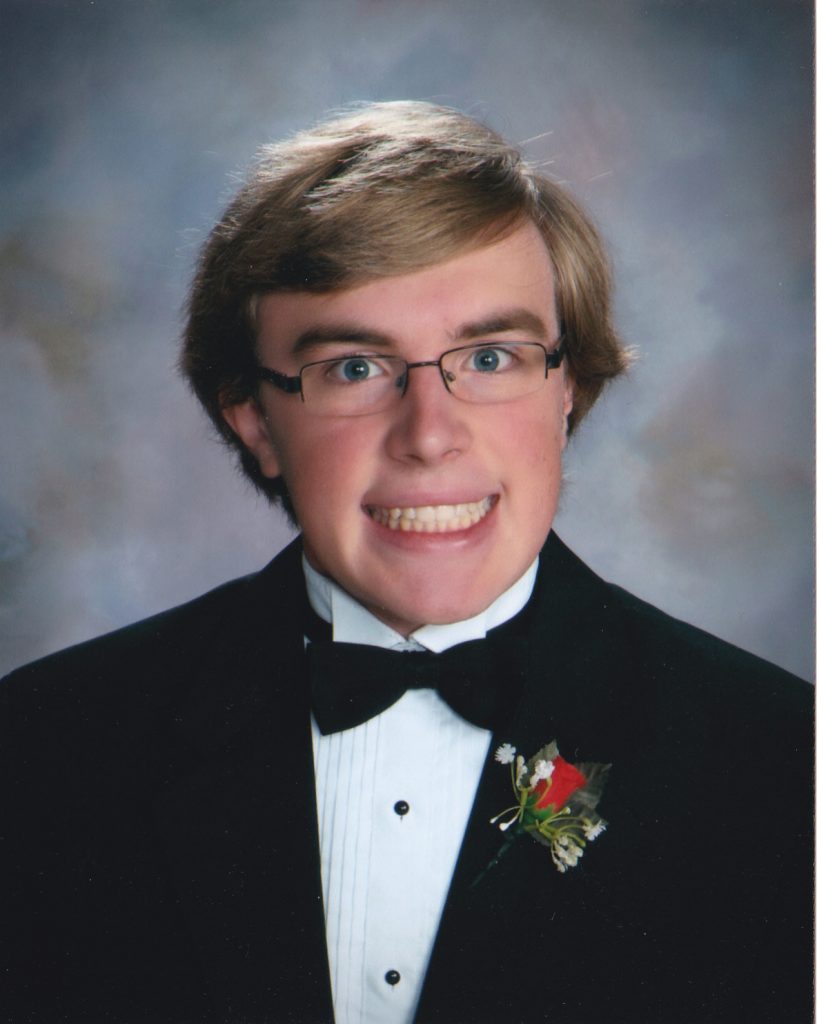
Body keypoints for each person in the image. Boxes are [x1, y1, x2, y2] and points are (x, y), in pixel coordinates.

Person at [0, 101, 811, 1024]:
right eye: (353, 367)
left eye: (492, 356)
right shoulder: (44, 749)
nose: (429, 437)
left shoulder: (783, 767)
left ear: (566, 392)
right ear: (255, 420)